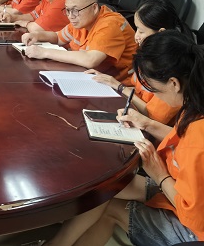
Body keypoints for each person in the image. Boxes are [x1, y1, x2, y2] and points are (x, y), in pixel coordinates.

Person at [43, 30, 204, 246]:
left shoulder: (198, 134)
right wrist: (146, 123)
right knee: (107, 187)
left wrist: (159, 175)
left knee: (110, 204)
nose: (155, 95)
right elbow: (183, 141)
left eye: (154, 89)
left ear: (174, 83)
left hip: (192, 225)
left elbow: (193, 215)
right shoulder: (194, 104)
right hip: (179, 185)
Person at [87, 0, 194, 125]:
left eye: (141, 31)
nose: (136, 36)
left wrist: (118, 86)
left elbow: (154, 117)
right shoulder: (148, 54)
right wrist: (110, 82)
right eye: (136, 28)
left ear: (160, 33)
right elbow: (138, 90)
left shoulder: (171, 65)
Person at [22, 0, 137, 85]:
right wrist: (37, 35)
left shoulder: (110, 24)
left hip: (119, 87)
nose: (71, 16)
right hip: (91, 76)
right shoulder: (81, 21)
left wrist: (44, 52)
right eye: (67, 10)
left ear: (94, 8)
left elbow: (90, 60)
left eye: (75, 10)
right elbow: (58, 38)